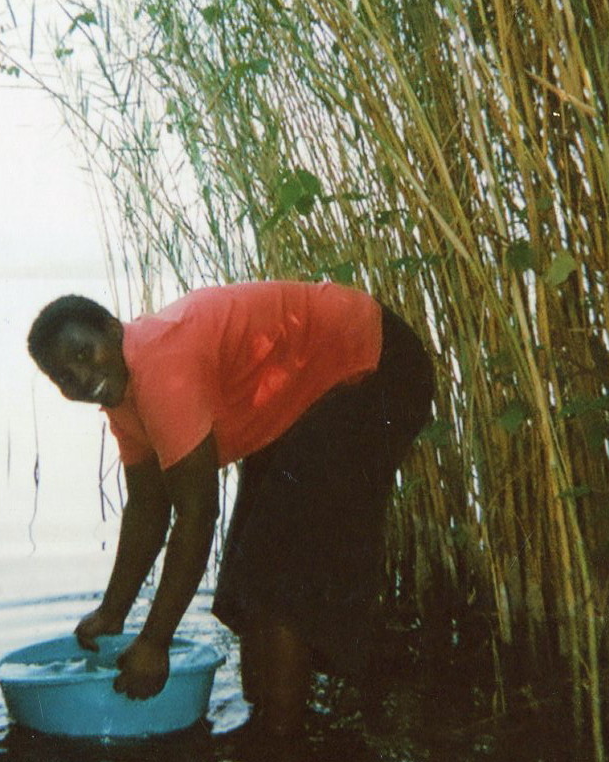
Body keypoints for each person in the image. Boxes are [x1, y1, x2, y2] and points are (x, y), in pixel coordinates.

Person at [27, 280, 434, 736]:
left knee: (277, 580)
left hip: (375, 366)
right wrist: (112, 612)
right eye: (64, 377)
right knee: (248, 572)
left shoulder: (161, 367)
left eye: (84, 354)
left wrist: (154, 643)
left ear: (110, 328)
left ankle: (278, 742)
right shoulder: (121, 394)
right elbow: (147, 507)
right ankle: (268, 718)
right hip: (308, 393)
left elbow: (197, 517)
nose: (80, 378)